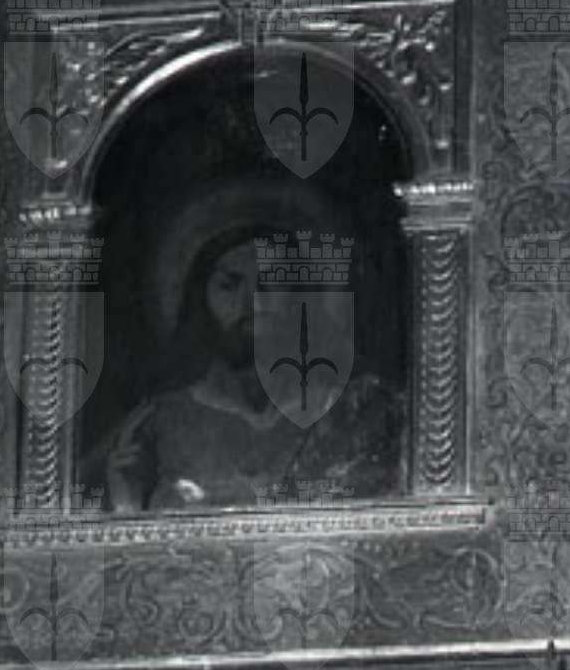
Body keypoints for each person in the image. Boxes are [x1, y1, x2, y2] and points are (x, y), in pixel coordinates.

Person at [101, 219, 403, 512]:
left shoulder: (353, 409)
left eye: (272, 282)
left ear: (299, 296)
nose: (252, 302)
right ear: (200, 301)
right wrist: (126, 502)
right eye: (229, 285)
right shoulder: (158, 423)